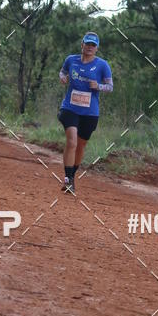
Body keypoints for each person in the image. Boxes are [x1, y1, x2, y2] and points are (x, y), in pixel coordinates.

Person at [58, 32, 113, 194]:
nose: (89, 47)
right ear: (82, 44)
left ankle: (72, 177)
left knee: (81, 146)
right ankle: (67, 179)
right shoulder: (71, 60)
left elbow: (110, 87)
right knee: (72, 142)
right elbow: (62, 72)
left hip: (90, 112)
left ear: (96, 48)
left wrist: (99, 86)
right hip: (70, 108)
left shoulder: (102, 65)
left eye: (93, 45)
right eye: (87, 44)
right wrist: (62, 77)